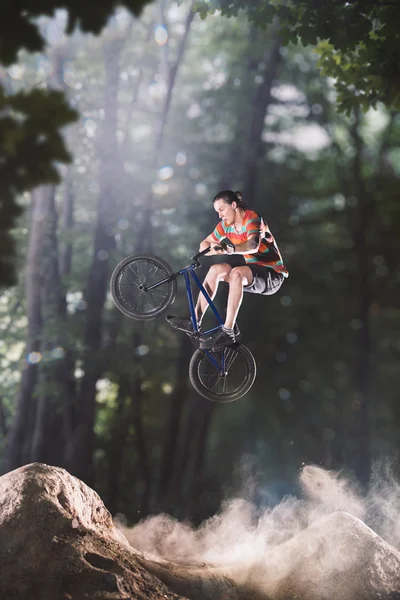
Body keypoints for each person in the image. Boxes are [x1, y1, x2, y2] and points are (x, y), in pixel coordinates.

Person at [167, 189, 288, 348]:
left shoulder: (252, 218)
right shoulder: (225, 226)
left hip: (273, 275)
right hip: (253, 271)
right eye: (217, 212)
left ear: (233, 205)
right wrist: (212, 249)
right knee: (216, 269)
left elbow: (252, 245)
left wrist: (229, 249)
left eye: (222, 210)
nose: (220, 215)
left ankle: (228, 331)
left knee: (237, 273)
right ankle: (194, 320)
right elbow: (205, 243)